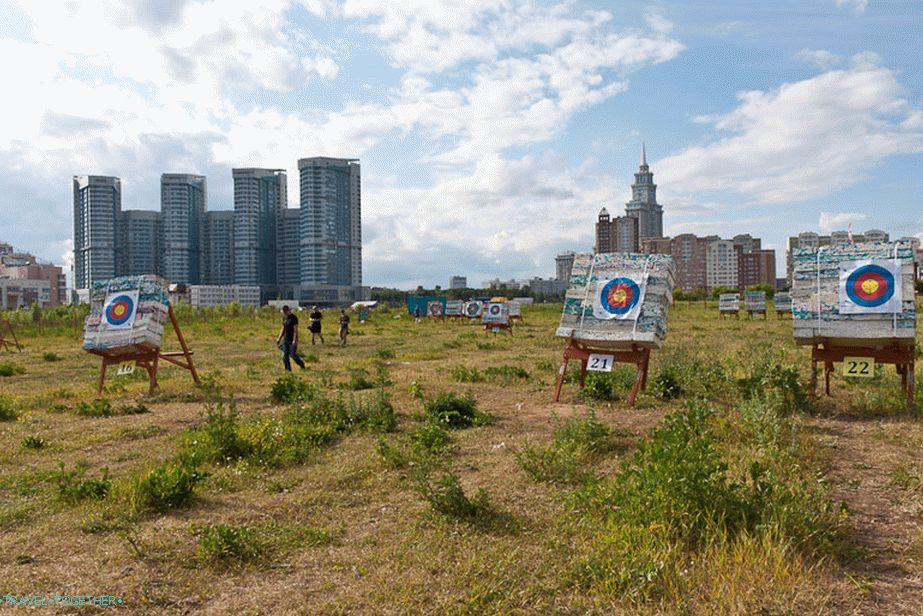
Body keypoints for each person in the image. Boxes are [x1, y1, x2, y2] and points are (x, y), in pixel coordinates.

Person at [275, 305, 305, 371]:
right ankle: (288, 370)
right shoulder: (284, 318)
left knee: (292, 354)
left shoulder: (294, 318)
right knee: (285, 355)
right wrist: (279, 338)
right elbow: (283, 328)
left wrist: (294, 340)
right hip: (286, 339)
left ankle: (301, 364)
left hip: (292, 339)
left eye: (285, 312)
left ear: (288, 310)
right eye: (283, 312)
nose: (284, 313)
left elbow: (295, 330)